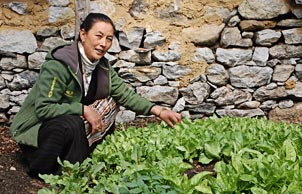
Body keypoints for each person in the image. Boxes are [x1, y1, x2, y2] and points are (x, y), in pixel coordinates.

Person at [10, 13, 182, 177]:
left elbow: (125, 95)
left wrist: (159, 111)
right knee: (73, 123)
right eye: (98, 36)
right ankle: (49, 169)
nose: (103, 44)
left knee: (109, 104)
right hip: (37, 133)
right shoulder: (59, 65)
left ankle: (80, 158)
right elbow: (44, 108)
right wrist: (83, 109)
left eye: (108, 39)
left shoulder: (102, 67)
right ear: (83, 35)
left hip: (64, 130)